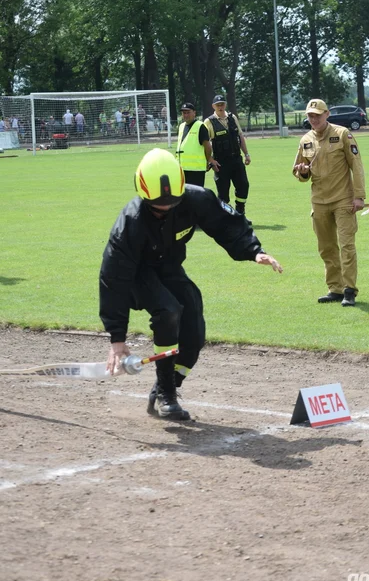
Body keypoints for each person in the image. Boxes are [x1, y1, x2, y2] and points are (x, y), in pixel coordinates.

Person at [99, 148, 282, 421]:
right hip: (137, 274)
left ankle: (167, 384)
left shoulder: (197, 199)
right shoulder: (130, 223)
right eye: (157, 208)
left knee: (194, 325)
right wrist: (117, 339)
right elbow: (113, 278)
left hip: (169, 268)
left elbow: (227, 224)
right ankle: (167, 397)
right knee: (168, 310)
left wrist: (254, 251)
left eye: (171, 205)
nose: (165, 210)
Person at [293, 98, 366, 307]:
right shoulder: (305, 140)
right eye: (310, 115)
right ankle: (335, 288)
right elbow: (299, 171)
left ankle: (349, 290)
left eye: (317, 114)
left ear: (327, 114)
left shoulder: (342, 134)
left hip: (343, 199)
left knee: (347, 246)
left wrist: (359, 196)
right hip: (319, 201)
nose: (314, 119)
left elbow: (357, 165)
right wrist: (302, 172)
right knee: (326, 248)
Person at [204, 94, 251, 217]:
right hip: (220, 162)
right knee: (223, 193)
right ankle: (225, 217)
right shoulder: (209, 122)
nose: (220, 107)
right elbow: (205, 143)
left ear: (225, 105)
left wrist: (246, 154)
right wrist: (210, 160)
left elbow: (240, 136)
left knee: (243, 185)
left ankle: (240, 213)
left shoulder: (232, 118)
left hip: (236, 159)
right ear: (213, 106)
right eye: (218, 105)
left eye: (222, 104)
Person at [176, 102, 216, 186]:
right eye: (184, 113)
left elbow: (208, 147)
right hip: (181, 169)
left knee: (196, 197)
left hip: (196, 170)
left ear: (194, 113)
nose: (186, 115)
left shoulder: (200, 126)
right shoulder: (181, 126)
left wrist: (208, 160)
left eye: (188, 112)